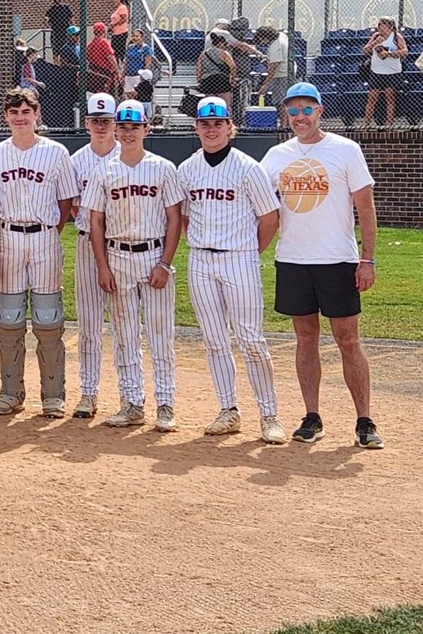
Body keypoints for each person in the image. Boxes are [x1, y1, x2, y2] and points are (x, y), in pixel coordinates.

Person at [260, 82, 384, 449]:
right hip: (293, 259)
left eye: (306, 109)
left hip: (337, 259)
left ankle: (364, 420)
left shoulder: (345, 150)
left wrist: (367, 259)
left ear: (319, 111)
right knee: (305, 338)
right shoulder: (276, 155)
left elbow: (366, 208)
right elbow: (254, 195)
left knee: (348, 339)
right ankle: (312, 416)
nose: (300, 117)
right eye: (293, 110)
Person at [178, 97, 287, 444]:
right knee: (214, 339)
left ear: (229, 127)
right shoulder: (187, 169)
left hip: (239, 258)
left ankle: (269, 414)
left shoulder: (248, 168)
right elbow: (183, 217)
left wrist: (250, 251)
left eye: (218, 123)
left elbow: (269, 218)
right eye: (205, 124)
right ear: (196, 128)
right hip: (200, 260)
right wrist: (198, 242)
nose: (211, 130)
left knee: (251, 339)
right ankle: (228, 410)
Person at [83, 99, 185, 432]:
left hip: (153, 254)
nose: (128, 133)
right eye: (123, 127)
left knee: (160, 334)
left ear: (146, 129)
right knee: (125, 335)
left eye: (134, 127)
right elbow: (95, 222)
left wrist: (165, 264)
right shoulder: (103, 170)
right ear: (116, 129)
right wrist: (102, 267)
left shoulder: (163, 168)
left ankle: (165, 404)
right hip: (118, 256)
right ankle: (132, 402)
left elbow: (174, 219)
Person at [0, 87, 78, 418]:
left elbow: (66, 201)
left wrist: (51, 230)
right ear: (6, 117)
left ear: (37, 114)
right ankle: (11, 392)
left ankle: (53, 395)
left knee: (48, 319)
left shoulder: (56, 152)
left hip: (44, 237)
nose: (20, 118)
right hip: (10, 237)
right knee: (9, 319)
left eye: (26, 111)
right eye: (14, 112)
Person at [67, 93, 119, 419]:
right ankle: (88, 393)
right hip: (88, 243)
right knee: (89, 323)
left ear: (115, 123)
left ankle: (131, 396)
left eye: (106, 120)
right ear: (86, 123)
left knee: (126, 323)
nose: (101, 126)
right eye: (95, 120)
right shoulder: (76, 161)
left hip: (122, 244)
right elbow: (74, 206)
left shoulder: (128, 156)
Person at [362, 16, 408, 127]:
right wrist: (375, 42)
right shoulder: (376, 36)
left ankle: (390, 125)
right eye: (379, 25)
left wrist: (389, 54)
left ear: (390, 26)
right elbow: (365, 51)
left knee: (390, 98)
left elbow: (405, 51)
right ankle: (366, 125)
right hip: (376, 71)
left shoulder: (396, 36)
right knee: (372, 98)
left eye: (383, 25)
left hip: (392, 72)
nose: (380, 27)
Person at [256, 26, 291, 123]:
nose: (262, 41)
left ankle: (284, 125)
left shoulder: (276, 46)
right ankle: (286, 124)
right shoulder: (281, 35)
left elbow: (274, 67)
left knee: (281, 101)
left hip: (282, 74)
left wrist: (265, 85)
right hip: (287, 71)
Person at [197, 30, 236, 108]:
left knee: (209, 103)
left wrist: (199, 80)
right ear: (220, 43)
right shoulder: (224, 53)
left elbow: (199, 68)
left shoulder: (203, 54)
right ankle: (226, 115)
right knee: (225, 104)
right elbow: (233, 66)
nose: (226, 46)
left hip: (207, 81)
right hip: (221, 80)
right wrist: (232, 80)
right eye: (225, 44)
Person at [86, 22, 119, 96]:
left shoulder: (90, 44)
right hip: (105, 73)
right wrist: (117, 70)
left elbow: (87, 58)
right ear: (103, 31)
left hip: (94, 73)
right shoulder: (104, 42)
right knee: (107, 94)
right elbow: (110, 57)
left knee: (95, 94)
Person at [123, 29, 154, 99]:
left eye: (137, 36)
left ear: (142, 37)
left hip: (138, 76)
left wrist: (143, 77)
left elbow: (148, 64)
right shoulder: (130, 47)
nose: (135, 38)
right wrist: (123, 74)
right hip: (129, 75)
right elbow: (126, 61)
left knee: (137, 95)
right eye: (133, 36)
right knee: (128, 94)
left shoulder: (145, 48)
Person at [109, 0, 131, 66]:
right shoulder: (118, 9)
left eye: (116, 0)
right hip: (115, 33)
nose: (114, 2)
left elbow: (124, 19)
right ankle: (117, 65)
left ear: (119, 0)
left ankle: (122, 65)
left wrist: (114, 24)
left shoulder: (122, 7)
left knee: (120, 50)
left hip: (121, 33)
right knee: (115, 50)